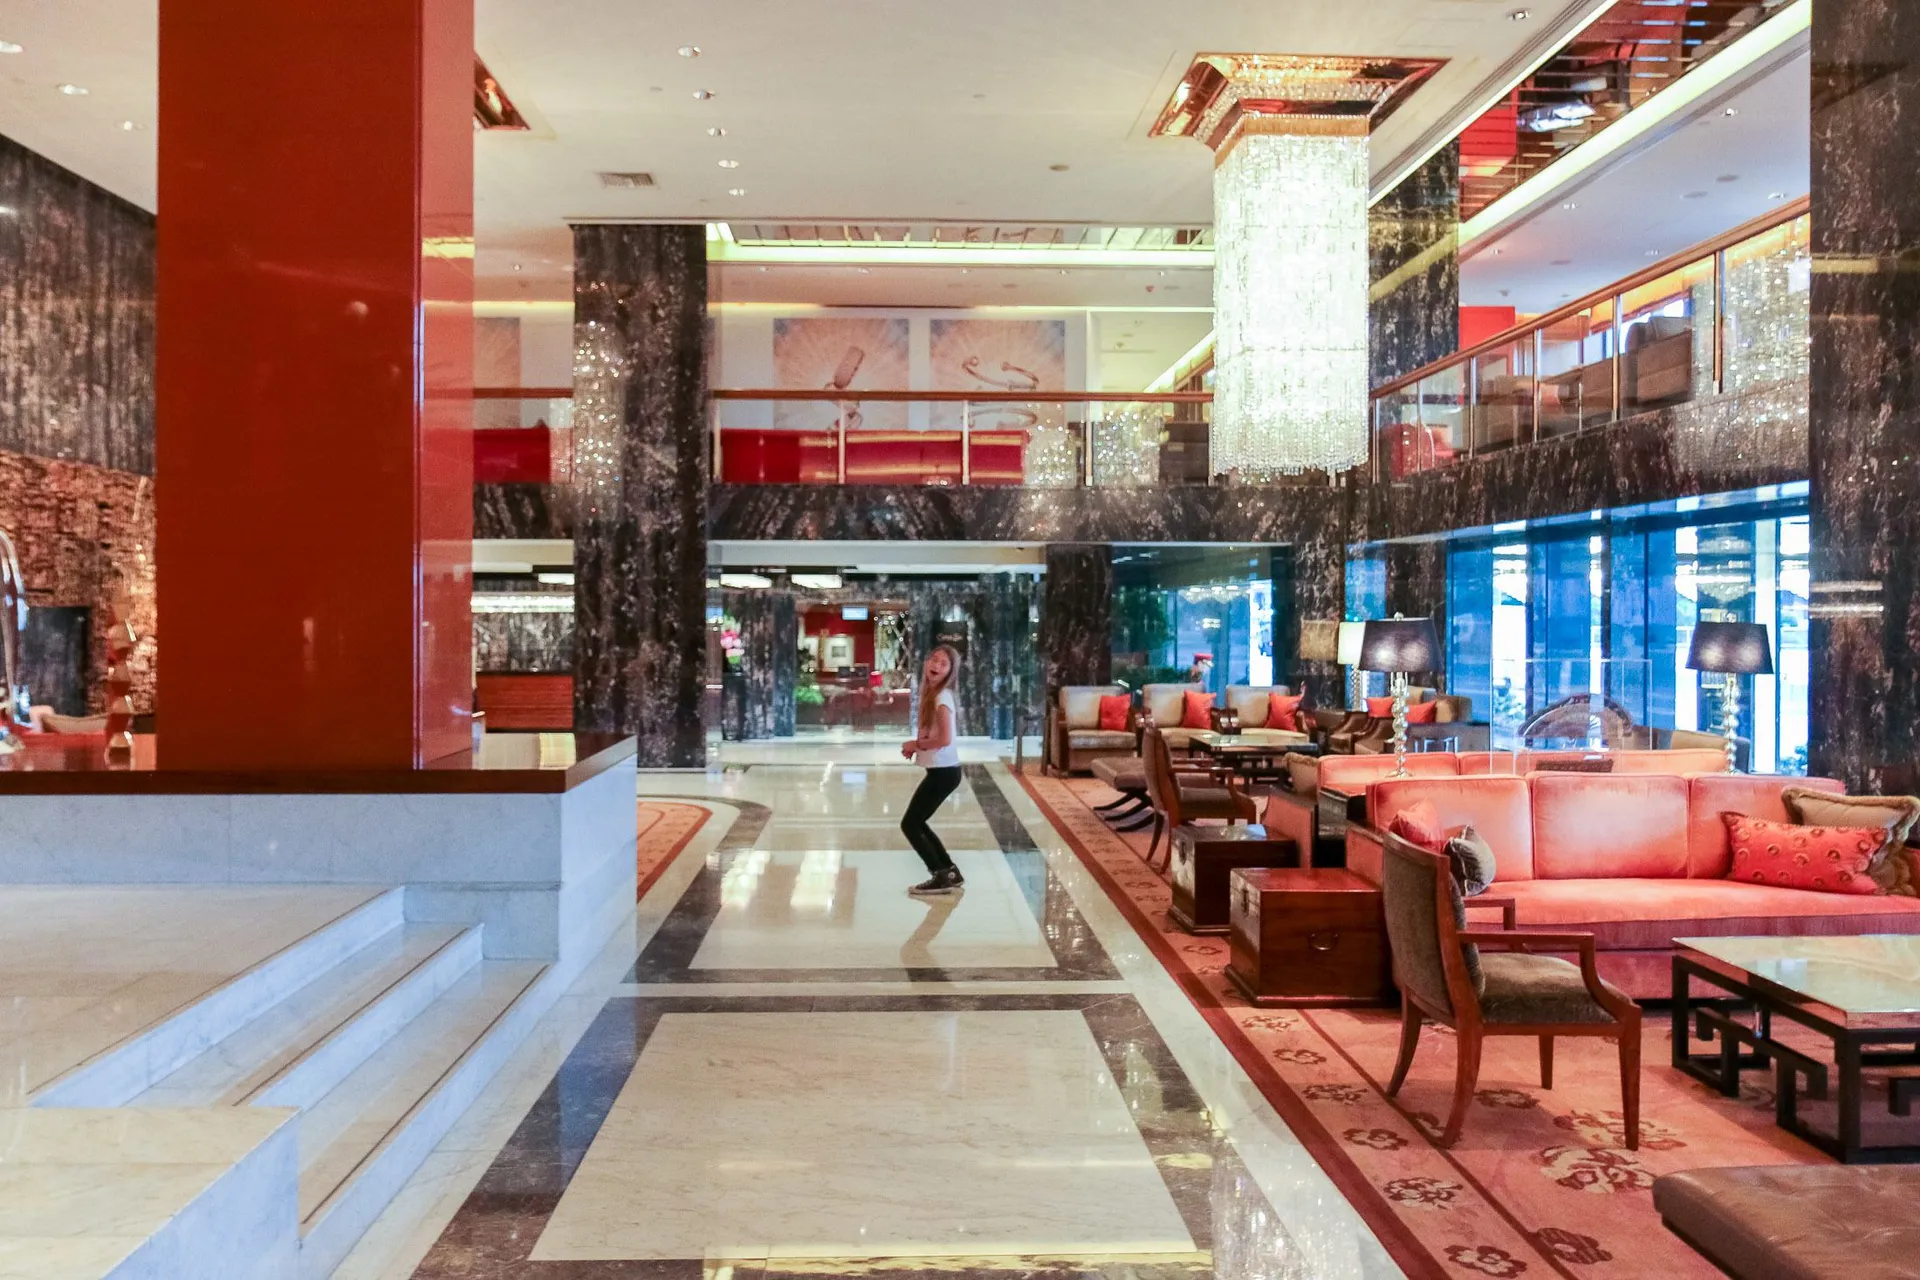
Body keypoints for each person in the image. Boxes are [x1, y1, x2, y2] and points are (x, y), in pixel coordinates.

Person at [898, 644, 965, 896]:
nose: (935, 665)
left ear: (950, 672)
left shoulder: (942, 697)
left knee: (911, 824)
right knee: (917, 822)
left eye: (943, 663)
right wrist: (918, 747)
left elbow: (944, 739)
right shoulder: (933, 695)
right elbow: (937, 736)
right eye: (933, 659)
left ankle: (940, 875)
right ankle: (948, 871)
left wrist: (915, 744)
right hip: (942, 771)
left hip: (945, 772)